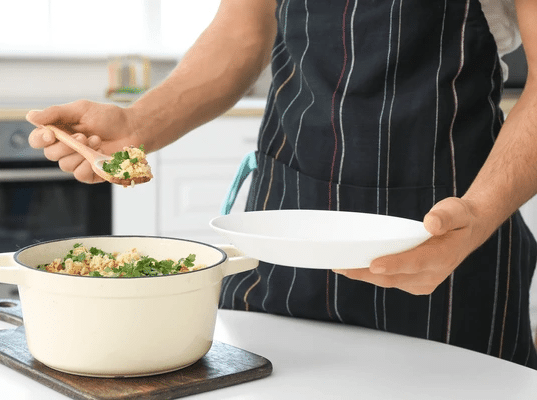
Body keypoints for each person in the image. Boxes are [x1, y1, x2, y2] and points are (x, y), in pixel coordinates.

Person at [27, 0, 537, 369]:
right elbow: (242, 31)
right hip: (283, 228)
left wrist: (478, 213)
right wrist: (137, 126)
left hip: (445, 230)